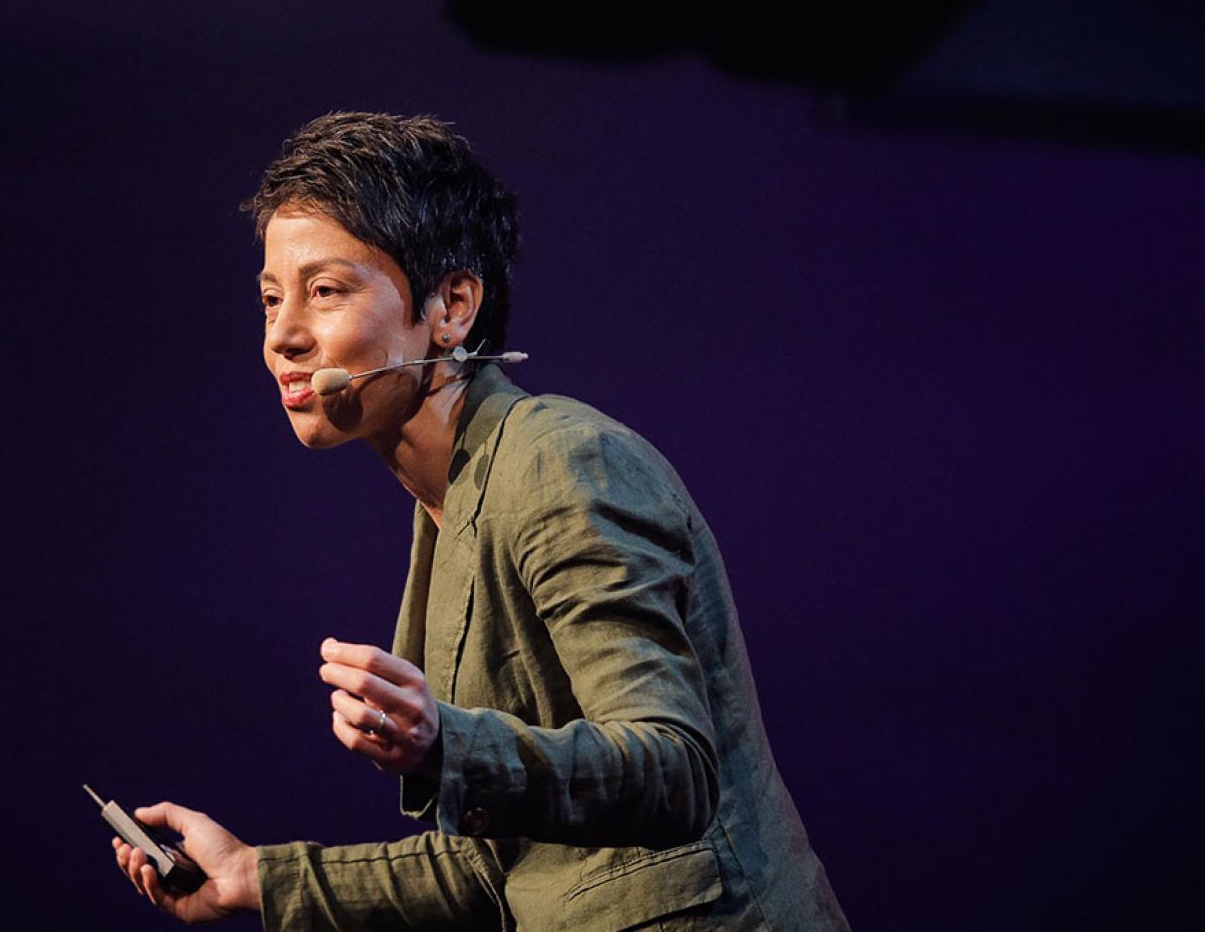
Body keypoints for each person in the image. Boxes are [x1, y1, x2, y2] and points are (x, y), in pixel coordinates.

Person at [110, 112, 850, 930]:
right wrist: (254, 877)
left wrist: (447, 745)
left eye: (325, 291)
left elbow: (674, 772)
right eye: (270, 299)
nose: (283, 336)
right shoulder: (452, 504)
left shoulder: (561, 464)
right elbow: (498, 868)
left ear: (452, 306)